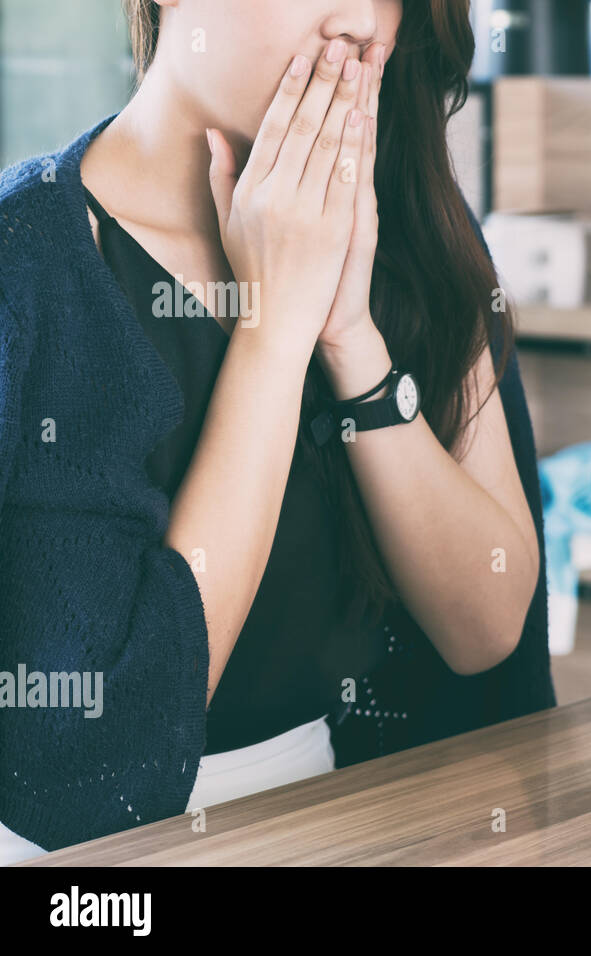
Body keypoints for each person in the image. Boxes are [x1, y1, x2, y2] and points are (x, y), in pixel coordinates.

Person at [0, 0, 553, 863]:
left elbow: (486, 632)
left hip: (347, 826)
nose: (363, 23)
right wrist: (270, 332)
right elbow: (97, 769)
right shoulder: (28, 264)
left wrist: (349, 338)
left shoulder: (414, 232)